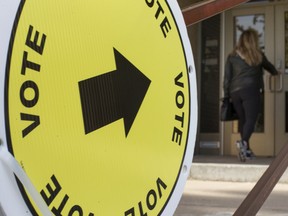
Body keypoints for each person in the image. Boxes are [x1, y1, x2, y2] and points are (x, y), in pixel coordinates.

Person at [223, 28, 278, 161]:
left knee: (243, 121)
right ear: (253, 41)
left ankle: (246, 150)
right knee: (251, 121)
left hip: (235, 93)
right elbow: (271, 68)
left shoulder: (231, 56)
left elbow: (227, 79)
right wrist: (276, 73)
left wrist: (226, 95)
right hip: (251, 91)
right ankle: (243, 143)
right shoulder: (257, 55)